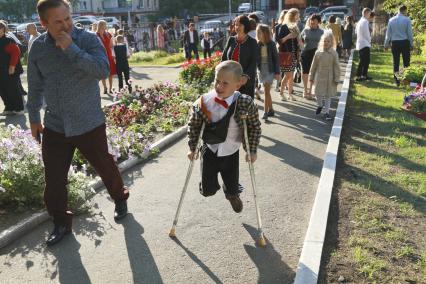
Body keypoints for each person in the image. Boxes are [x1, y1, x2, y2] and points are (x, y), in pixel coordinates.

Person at [27, 0, 130, 246]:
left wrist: (71, 48)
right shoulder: (38, 48)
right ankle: (61, 222)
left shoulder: (87, 40)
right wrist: (33, 118)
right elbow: (35, 86)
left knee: (104, 164)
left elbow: (103, 71)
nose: (66, 26)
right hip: (55, 124)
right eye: (58, 22)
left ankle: (119, 198)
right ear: (44, 23)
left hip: (88, 121)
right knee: (53, 178)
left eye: (68, 19)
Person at [187, 60, 261, 213]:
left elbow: (253, 127)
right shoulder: (204, 102)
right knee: (207, 190)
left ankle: (232, 195)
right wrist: (192, 148)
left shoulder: (244, 103)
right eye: (217, 81)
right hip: (210, 149)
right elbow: (194, 126)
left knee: (232, 186)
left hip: (231, 151)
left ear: (237, 85)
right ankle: (214, 186)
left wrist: (251, 150)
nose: (219, 87)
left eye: (225, 83)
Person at [222, 15, 259, 99]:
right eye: (236, 24)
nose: (237, 27)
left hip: (245, 82)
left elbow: (254, 62)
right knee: (230, 107)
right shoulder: (231, 40)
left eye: (240, 25)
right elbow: (224, 59)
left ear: (245, 26)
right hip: (230, 81)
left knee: (243, 108)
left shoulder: (252, 42)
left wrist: (245, 76)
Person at [309, 32, 340, 121]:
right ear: (322, 42)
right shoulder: (318, 52)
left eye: (328, 41)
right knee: (317, 93)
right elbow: (313, 65)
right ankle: (320, 105)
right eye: (325, 41)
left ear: (331, 43)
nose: (326, 43)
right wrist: (311, 76)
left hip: (329, 78)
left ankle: (326, 113)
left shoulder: (334, 53)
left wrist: (336, 78)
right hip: (319, 76)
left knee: (327, 96)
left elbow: (336, 66)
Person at [275, 8, 302, 101]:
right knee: (288, 75)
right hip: (285, 54)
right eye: (297, 15)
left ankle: (290, 94)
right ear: (292, 16)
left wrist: (300, 45)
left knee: (291, 76)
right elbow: (279, 41)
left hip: (294, 54)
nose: (298, 17)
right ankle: (281, 93)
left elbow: (298, 41)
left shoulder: (295, 26)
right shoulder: (283, 26)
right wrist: (288, 36)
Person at [384, 5, 414, 86]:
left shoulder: (391, 20)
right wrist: (411, 44)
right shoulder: (407, 20)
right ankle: (406, 81)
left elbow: (388, 34)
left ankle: (397, 81)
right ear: (404, 10)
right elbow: (409, 34)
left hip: (395, 43)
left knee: (396, 62)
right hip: (404, 42)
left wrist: (386, 45)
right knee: (406, 63)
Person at [0, 20, 24, 116]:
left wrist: (12, 66)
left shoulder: (8, 40)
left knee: (13, 89)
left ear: (4, 29)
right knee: (2, 90)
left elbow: (16, 53)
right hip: (1, 70)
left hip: (10, 70)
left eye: (1, 29)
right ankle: (9, 107)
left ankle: (19, 108)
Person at [256, 24, 280, 121]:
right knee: (267, 92)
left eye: (260, 32)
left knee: (266, 91)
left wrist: (277, 72)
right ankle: (271, 110)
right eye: (257, 32)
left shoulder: (272, 44)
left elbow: (276, 59)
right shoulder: (257, 44)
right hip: (261, 70)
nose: (258, 34)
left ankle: (265, 112)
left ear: (265, 33)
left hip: (270, 69)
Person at [300, 14, 323, 100]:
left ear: (318, 22)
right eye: (311, 21)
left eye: (314, 21)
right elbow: (300, 41)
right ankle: (305, 90)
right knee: (305, 72)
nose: (312, 22)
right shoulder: (305, 30)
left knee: (313, 73)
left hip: (316, 54)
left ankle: (311, 91)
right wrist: (300, 49)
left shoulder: (322, 32)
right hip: (305, 54)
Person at [97, 20, 116, 94]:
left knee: (110, 73)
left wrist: (113, 55)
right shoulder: (95, 35)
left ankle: (111, 88)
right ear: (101, 25)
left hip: (109, 54)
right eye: (105, 25)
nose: (106, 26)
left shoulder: (108, 34)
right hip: (101, 55)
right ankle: (105, 87)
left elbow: (111, 45)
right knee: (103, 73)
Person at [355, 8, 372, 82]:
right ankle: (360, 75)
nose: (369, 15)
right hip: (365, 43)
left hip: (360, 42)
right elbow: (366, 33)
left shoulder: (359, 21)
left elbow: (356, 32)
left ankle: (363, 75)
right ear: (366, 13)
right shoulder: (365, 21)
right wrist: (369, 40)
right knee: (364, 61)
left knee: (363, 60)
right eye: (369, 14)